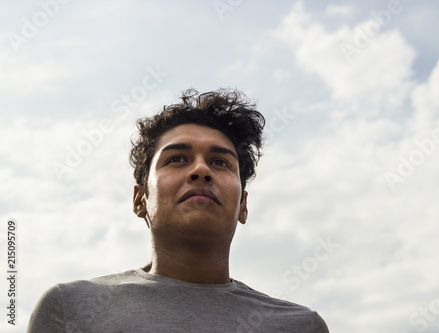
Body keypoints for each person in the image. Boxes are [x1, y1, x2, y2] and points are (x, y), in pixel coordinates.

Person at [28, 88, 329, 332]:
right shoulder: (68, 309)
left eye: (220, 162)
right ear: (139, 200)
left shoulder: (300, 326)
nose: (201, 170)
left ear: (243, 206)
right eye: (177, 159)